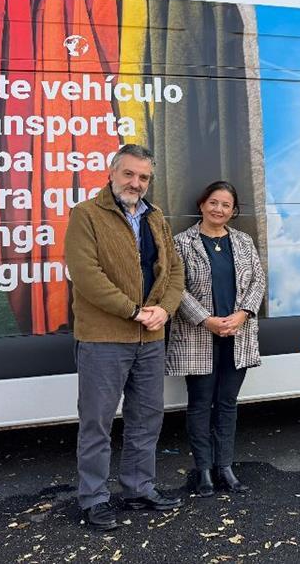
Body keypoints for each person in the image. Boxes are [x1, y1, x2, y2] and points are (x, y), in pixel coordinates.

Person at [65, 144, 186, 530]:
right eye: (129, 174)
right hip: (104, 338)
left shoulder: (156, 218)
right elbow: (86, 276)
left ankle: (138, 489)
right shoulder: (86, 214)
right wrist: (133, 311)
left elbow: (175, 273)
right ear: (112, 172)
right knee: (97, 423)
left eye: (144, 177)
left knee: (146, 419)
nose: (136, 183)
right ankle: (94, 499)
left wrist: (164, 310)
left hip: (150, 338)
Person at [167, 181, 266, 496]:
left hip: (237, 334)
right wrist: (206, 320)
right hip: (200, 336)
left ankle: (225, 467)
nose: (218, 209)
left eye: (226, 205)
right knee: (199, 405)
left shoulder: (243, 241)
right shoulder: (182, 243)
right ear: (201, 204)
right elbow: (175, 287)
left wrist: (242, 314)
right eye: (213, 202)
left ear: (232, 211)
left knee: (226, 404)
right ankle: (204, 471)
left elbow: (258, 280)